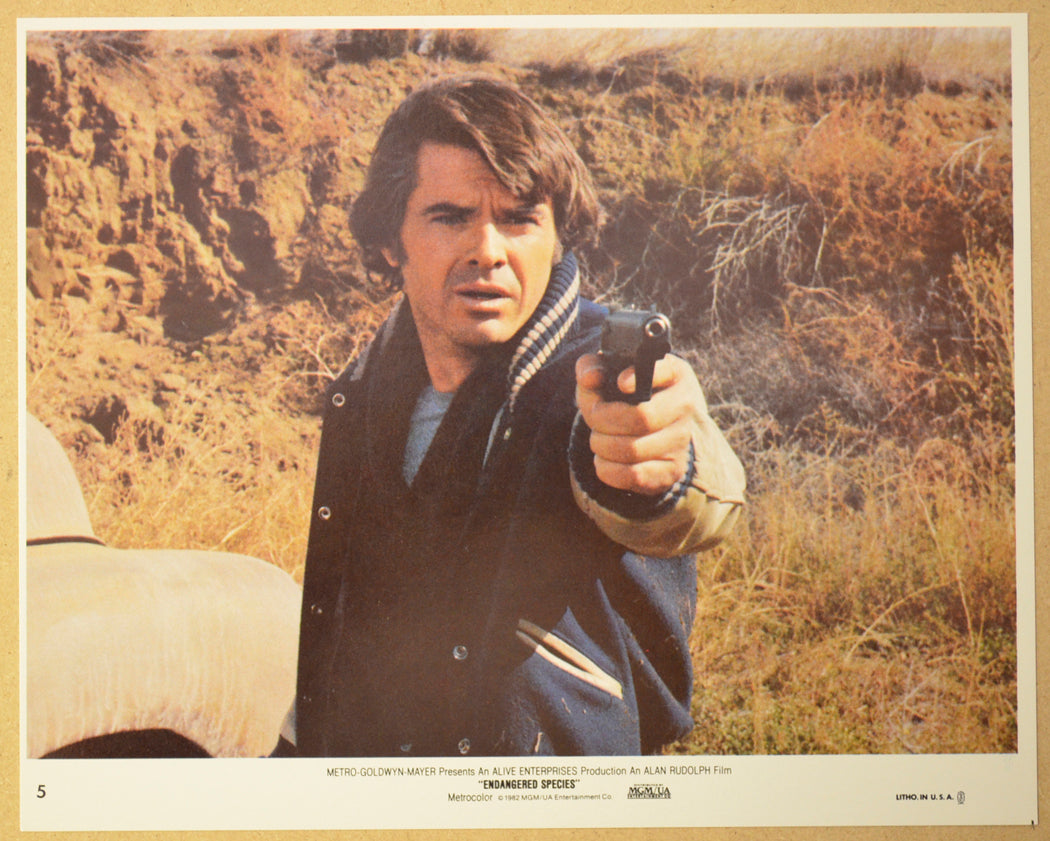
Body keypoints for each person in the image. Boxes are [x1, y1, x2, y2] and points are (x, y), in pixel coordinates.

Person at [293, 74, 746, 757]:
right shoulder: (365, 390)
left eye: (519, 219)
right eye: (450, 217)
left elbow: (686, 481)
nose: (488, 249)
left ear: (556, 237)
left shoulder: (594, 373)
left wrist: (663, 466)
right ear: (391, 241)